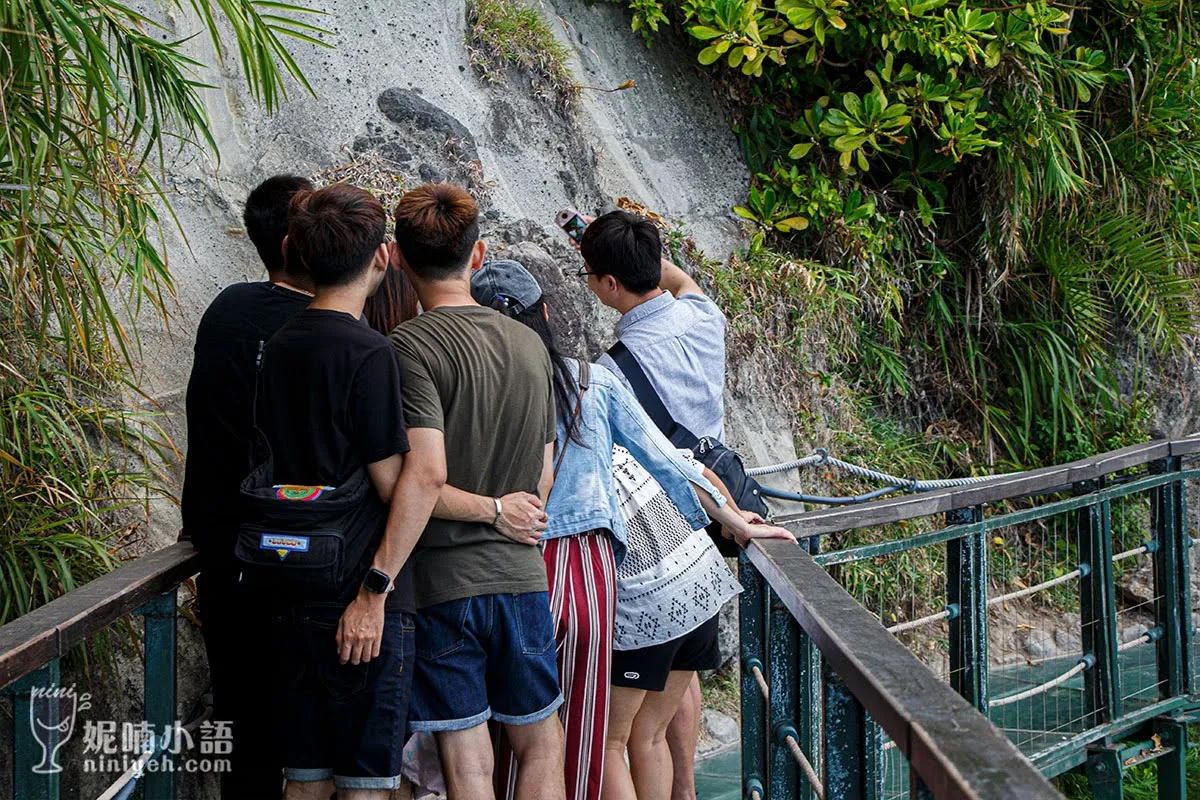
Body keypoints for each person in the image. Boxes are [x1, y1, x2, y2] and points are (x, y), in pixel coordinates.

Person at [464, 260, 792, 800]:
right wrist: (735, 521)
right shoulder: (592, 379)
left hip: (596, 582)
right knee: (647, 735)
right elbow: (672, 460)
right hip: (690, 575)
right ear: (547, 313)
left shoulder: (491, 394)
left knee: (600, 742)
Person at [387, 184, 566, 800]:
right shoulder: (528, 344)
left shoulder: (408, 348)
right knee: (542, 742)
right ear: (480, 254)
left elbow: (422, 477)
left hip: (442, 585)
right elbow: (541, 478)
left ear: (399, 260)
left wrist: (485, 510)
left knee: (467, 766)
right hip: (521, 578)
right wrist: (504, 512)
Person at [257, 183, 421, 800]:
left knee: (303, 775)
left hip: (285, 576)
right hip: (355, 587)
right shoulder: (370, 352)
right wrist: (375, 591)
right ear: (382, 256)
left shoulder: (278, 346)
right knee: (365, 782)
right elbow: (390, 482)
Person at [581, 210, 730, 799]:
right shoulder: (703, 315)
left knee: (635, 722)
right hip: (716, 505)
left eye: (593, 274)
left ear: (609, 285)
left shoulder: (614, 367)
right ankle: (685, 789)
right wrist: (641, 252)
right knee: (684, 664)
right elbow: (681, 282)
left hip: (659, 524)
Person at [180, 173, 313, 799]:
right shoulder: (325, 330)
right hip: (297, 561)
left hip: (221, 552)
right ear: (293, 244)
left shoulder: (226, 309)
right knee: (307, 738)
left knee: (240, 719)